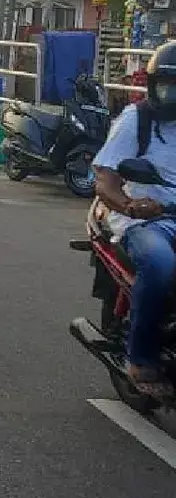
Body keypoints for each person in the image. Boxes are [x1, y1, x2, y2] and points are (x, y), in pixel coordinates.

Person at [92, 40, 176, 398]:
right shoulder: (136, 119)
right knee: (159, 264)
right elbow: (105, 179)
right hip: (147, 222)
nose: (171, 95)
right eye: (166, 86)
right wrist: (129, 205)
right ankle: (141, 358)